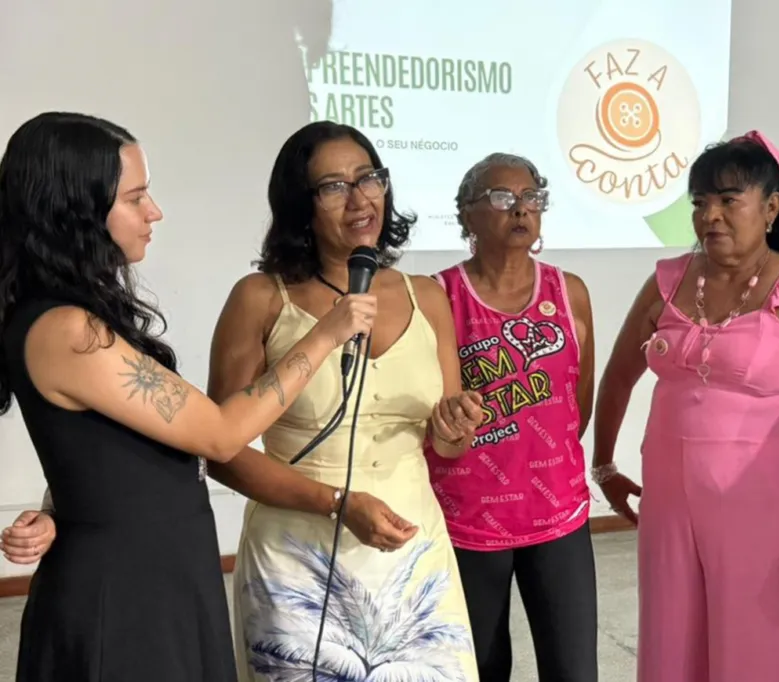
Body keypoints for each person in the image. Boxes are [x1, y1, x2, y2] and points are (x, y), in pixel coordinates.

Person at [0, 112, 376, 681]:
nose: (154, 212)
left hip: (156, 573)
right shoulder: (68, 329)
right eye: (135, 198)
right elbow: (221, 434)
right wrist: (326, 334)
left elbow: (99, 452)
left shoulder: (73, 318)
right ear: (76, 211)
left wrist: (57, 510)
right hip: (125, 596)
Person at [206, 121, 484, 681]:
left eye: (369, 178)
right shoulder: (261, 298)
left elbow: (448, 443)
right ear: (300, 205)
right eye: (334, 186)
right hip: (298, 560)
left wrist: (454, 430)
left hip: (412, 555)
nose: (360, 200)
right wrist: (337, 503)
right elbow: (221, 451)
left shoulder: (426, 296)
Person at [591, 131, 779, 682]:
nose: (709, 215)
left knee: (757, 648)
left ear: (771, 207)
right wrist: (604, 466)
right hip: (670, 503)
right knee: (673, 640)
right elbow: (618, 377)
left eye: (728, 200)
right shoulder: (668, 281)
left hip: (769, 506)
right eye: (699, 202)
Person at [425, 153, 598, 681]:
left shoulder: (569, 291)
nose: (520, 209)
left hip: (558, 513)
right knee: (479, 667)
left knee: (573, 668)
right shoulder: (437, 296)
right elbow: (427, 408)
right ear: (466, 214)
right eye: (502, 198)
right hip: (467, 520)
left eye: (531, 197)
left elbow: (577, 401)